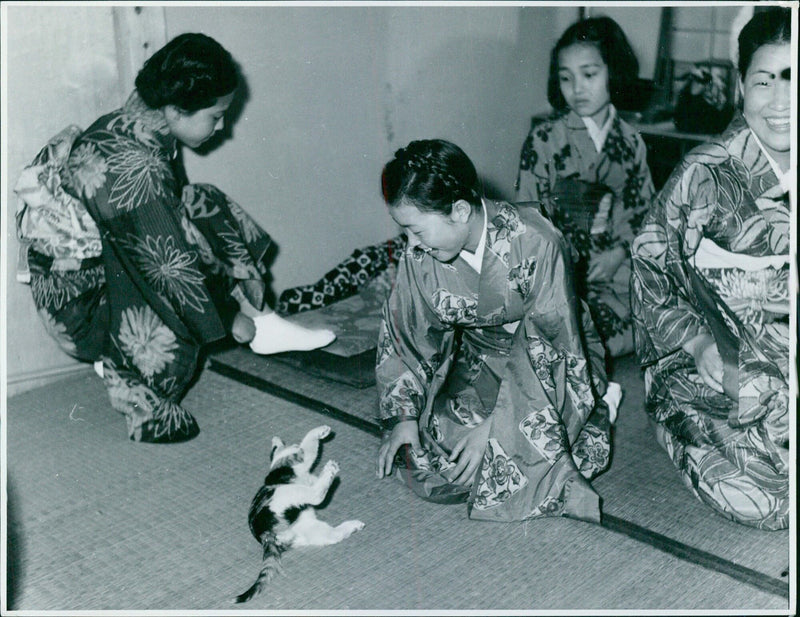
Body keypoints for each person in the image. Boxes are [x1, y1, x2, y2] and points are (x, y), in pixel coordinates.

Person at [15, 33, 335, 444]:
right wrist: (228, 318)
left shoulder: (134, 123)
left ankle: (264, 317)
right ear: (176, 109)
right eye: (216, 116)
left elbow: (175, 219)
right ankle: (132, 378)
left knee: (203, 202)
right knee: (169, 288)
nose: (223, 128)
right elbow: (167, 269)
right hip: (82, 308)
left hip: (101, 267)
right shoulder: (137, 171)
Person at [375, 139, 617, 523]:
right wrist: (403, 417)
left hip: (555, 359)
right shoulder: (419, 253)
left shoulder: (538, 241)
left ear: (458, 210)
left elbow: (553, 345)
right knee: (436, 448)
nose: (411, 243)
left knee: (517, 455)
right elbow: (407, 332)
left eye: (416, 230)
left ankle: (599, 401)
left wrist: (496, 427)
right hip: (480, 355)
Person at [630, 7, 791, 530]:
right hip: (714, 358)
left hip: (785, 354)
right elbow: (652, 269)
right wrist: (697, 343)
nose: (782, 101)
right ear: (741, 86)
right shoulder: (705, 171)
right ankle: (678, 423)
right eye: (765, 80)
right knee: (767, 500)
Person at [515, 16, 655, 359]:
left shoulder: (630, 140)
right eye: (566, 78)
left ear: (614, 71)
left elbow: (641, 211)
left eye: (589, 75)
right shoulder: (545, 139)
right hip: (559, 267)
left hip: (613, 265)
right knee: (556, 324)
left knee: (659, 310)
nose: (577, 88)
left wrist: (618, 253)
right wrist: (565, 264)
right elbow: (529, 217)